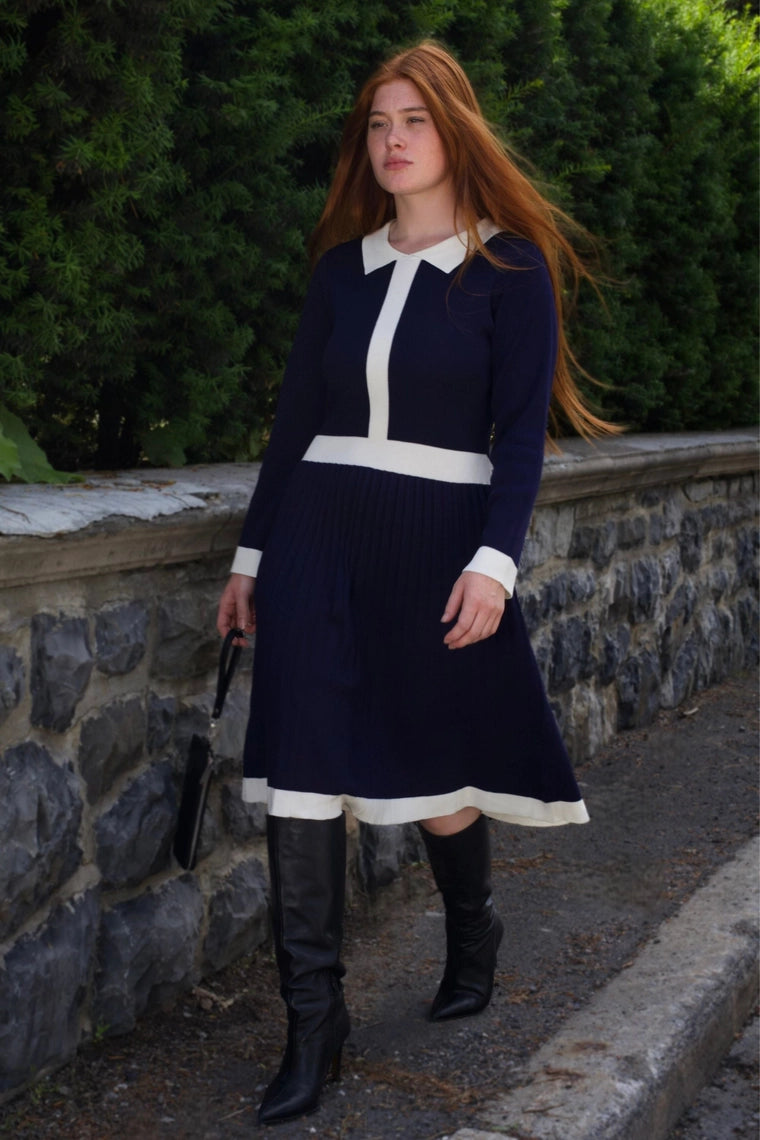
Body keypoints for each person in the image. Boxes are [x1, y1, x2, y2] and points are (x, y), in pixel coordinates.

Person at [217, 39, 615, 1127]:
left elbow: (520, 439)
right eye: (377, 124)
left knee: (432, 772)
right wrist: (252, 558)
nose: (390, 142)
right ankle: (314, 1025)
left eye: (413, 122)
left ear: (455, 132)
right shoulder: (339, 272)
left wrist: (495, 560)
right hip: (317, 537)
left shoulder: (513, 270)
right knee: (300, 773)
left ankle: (471, 929)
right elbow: (295, 424)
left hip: (438, 543)